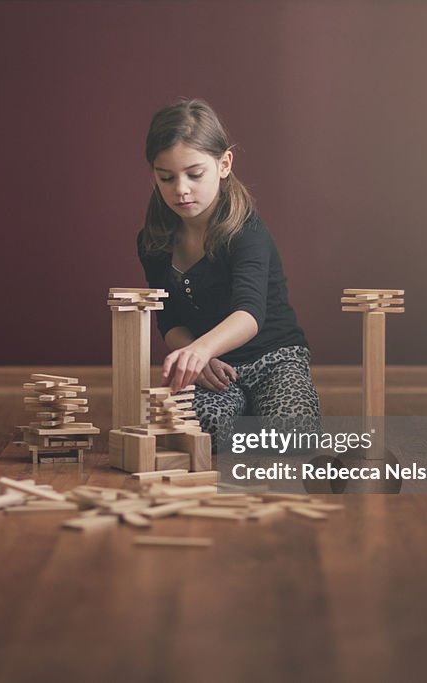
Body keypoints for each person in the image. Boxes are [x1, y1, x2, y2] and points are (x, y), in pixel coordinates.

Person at [137, 98, 321, 453]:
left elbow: (250, 314)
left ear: (224, 164)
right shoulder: (153, 241)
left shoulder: (246, 230)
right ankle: (246, 414)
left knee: (294, 436)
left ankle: (267, 408)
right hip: (215, 367)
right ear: (154, 175)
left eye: (195, 174)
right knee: (201, 433)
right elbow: (169, 319)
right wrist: (197, 356)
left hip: (274, 357)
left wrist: (200, 349)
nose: (181, 189)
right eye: (166, 177)